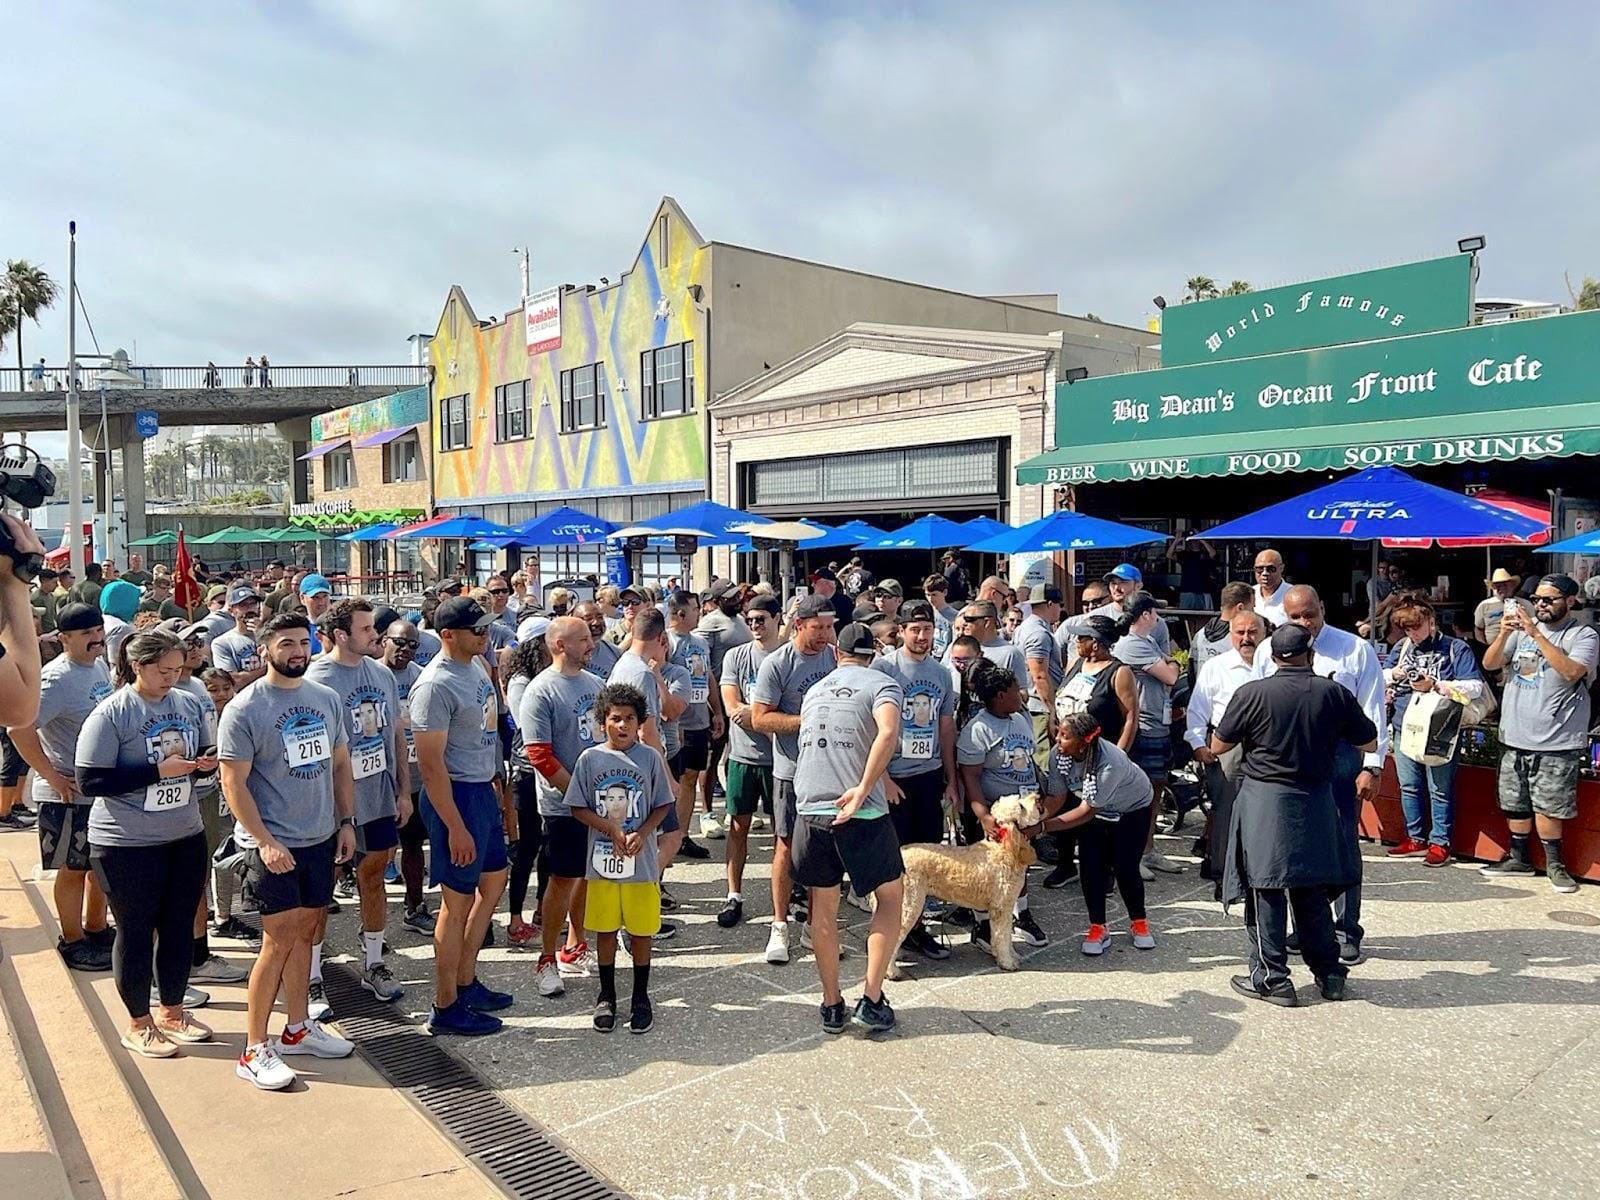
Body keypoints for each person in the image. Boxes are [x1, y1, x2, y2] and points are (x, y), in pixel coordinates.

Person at [219, 612, 356, 1088]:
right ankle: (254, 1048)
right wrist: (265, 840)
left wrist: (345, 822)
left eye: (303, 642)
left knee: (307, 935)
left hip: (319, 837)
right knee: (276, 942)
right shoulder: (244, 709)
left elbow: (340, 764)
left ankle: (297, 1027)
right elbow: (233, 783)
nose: (298, 652)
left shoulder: (325, 699)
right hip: (272, 844)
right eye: (286, 644)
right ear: (265, 650)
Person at [1212, 624, 1378, 1006]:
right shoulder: (1333, 692)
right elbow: (1369, 740)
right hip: (1315, 801)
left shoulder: (1252, 693)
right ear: (1311, 654)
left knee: (1265, 889)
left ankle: (1273, 979)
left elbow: (1219, 744)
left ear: (1273, 657)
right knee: (1312, 890)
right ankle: (1330, 974)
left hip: (1265, 801)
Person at [78, 630, 217, 1059]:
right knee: (136, 931)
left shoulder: (188, 703)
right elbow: (91, 780)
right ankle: (138, 1022)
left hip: (184, 833)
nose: (172, 678)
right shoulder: (112, 713)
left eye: (178, 669)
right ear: (138, 666)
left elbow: (198, 754)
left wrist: (203, 764)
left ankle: (172, 1010)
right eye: (163, 670)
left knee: (179, 925)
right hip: (126, 842)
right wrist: (157, 772)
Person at [1258, 585, 1386, 961]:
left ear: (1323, 609)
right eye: (1295, 616)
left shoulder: (1354, 650)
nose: (1304, 622)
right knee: (1298, 845)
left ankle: (1346, 929)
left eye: (1309, 614)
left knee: (1342, 841)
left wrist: (1373, 765)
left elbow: (1373, 710)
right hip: (1289, 759)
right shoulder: (1269, 651)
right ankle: (1309, 928)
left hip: (1342, 756)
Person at [792, 621, 905, 1034]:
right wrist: (865, 787)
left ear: (836, 653)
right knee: (890, 898)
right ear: (872, 654)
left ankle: (831, 1003)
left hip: (811, 809)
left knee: (823, 909)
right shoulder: (882, 684)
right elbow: (887, 732)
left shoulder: (815, 690)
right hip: (861, 813)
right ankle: (871, 998)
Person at [410, 596, 515, 1034]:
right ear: (448, 635)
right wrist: (454, 825)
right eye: (477, 629)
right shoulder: (434, 685)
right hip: (455, 796)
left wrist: (495, 785)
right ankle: (445, 1004)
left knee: (494, 882)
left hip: (480, 789)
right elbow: (431, 765)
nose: (485, 634)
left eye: (486, 626)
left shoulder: (476, 667)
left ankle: (466, 980)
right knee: (456, 903)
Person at [307, 599, 411, 1002]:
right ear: (340, 635)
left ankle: (374, 962)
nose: (375, 635)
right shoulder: (317, 679)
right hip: (332, 803)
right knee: (324, 887)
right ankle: (312, 975)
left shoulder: (381, 673)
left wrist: (403, 790)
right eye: (366, 629)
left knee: (374, 875)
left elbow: (396, 733)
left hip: (378, 795)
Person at [9, 603, 115, 971]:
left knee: (99, 866)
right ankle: (72, 940)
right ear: (64, 638)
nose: (96, 639)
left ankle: (96, 928)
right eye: (86, 634)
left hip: (99, 789)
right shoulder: (55, 679)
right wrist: (51, 775)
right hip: (67, 792)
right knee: (73, 868)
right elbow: (19, 728)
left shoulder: (98, 665)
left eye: (98, 631)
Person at [566, 683, 675, 1034]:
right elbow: (578, 806)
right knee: (606, 929)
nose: (622, 725)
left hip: (641, 865)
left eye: (629, 718)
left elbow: (663, 803)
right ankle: (607, 993)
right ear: (603, 723)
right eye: (615, 719)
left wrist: (642, 833)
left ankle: (640, 996)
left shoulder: (650, 758)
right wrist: (609, 828)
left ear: (640, 722)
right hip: (602, 864)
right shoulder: (590, 759)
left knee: (641, 931)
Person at [1481, 573, 1598, 893]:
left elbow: (1572, 671)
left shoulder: (1583, 634)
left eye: (1548, 600)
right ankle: (1519, 858)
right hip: (1515, 734)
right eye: (1536, 600)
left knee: (1550, 805)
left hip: (1556, 738)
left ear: (1570, 601)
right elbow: (1490, 663)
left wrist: (1536, 633)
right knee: (1515, 801)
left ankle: (1555, 865)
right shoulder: (1520, 630)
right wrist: (1504, 634)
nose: (1540, 605)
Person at [751, 593, 838, 965]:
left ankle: (815, 927)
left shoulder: (834, 656)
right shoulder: (778, 664)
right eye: (818, 627)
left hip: (829, 768)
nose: (825, 634)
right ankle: (779, 925)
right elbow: (759, 718)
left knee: (823, 849)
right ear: (799, 625)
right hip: (790, 770)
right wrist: (808, 720)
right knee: (785, 847)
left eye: (829, 627)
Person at [522, 616, 605, 996]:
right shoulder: (541, 691)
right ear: (560, 645)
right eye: (583, 639)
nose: (591, 644)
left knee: (587, 875)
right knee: (562, 878)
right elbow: (540, 755)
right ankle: (546, 958)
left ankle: (575, 945)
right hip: (562, 805)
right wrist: (577, 794)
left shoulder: (596, 684)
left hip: (598, 801)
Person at [870, 599, 957, 961]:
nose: (922, 636)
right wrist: (883, 777)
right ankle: (889, 933)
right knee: (894, 860)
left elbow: (946, 726)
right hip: (895, 777)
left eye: (928, 629)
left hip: (929, 775)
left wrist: (951, 780)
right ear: (901, 631)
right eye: (915, 629)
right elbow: (871, 727)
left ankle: (916, 929)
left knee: (926, 857)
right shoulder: (884, 668)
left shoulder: (941, 673)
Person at [1037, 712, 1156, 955]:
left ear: (1083, 743)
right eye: (1058, 732)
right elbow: (1057, 797)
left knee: (1125, 867)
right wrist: (1035, 818)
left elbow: (1087, 811)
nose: (1057, 739)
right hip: (1094, 809)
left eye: (1064, 736)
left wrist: (1042, 828)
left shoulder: (1110, 761)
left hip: (1131, 808)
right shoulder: (1059, 755)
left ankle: (1139, 921)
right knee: (1091, 865)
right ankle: (1098, 927)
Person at [956, 657, 1048, 950]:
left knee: (1020, 862)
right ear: (999, 696)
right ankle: (982, 924)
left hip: (1023, 810)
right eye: (1015, 689)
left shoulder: (1020, 719)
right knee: (986, 870)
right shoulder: (978, 730)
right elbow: (970, 778)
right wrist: (983, 815)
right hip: (995, 811)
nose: (1020, 693)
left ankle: (1021, 914)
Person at [1383, 600, 1485, 868]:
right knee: (1408, 785)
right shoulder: (1402, 647)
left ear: (1431, 622)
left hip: (1441, 727)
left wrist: (1437, 685)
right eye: (1407, 629)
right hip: (1405, 724)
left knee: (1439, 788)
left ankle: (1440, 842)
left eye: (1416, 628)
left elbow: (1475, 686)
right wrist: (1395, 674)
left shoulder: (1455, 647)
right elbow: (1380, 677)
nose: (1412, 634)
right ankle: (1415, 838)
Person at [1186, 610, 1267, 887]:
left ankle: (1257, 873)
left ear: (1264, 632)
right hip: (1227, 746)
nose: (1246, 638)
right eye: (1240, 632)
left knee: (1264, 811)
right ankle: (1223, 874)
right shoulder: (1216, 667)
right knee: (1225, 811)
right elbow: (1197, 710)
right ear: (1231, 635)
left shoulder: (1273, 665)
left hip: (1267, 746)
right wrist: (1198, 744)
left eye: (1252, 632)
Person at [717, 594, 782, 930]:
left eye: (761, 619)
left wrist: (756, 715)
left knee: (781, 833)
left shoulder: (787, 656)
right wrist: (769, 720)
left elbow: (788, 710)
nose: (755, 625)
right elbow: (732, 706)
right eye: (750, 619)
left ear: (776, 618)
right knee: (738, 826)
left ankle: (785, 897)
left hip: (780, 761)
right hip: (742, 756)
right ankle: (733, 893)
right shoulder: (736, 656)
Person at [378, 616, 434, 933]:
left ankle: (414, 906)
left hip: (413, 776)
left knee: (413, 844)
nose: (405, 650)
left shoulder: (422, 677)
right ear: (384, 640)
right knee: (371, 855)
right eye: (399, 642)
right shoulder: (371, 674)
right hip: (376, 777)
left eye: (413, 645)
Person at [696, 577, 751, 835]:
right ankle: (706, 812)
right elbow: (701, 664)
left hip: (739, 698)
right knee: (713, 756)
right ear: (718, 601)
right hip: (716, 698)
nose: (737, 600)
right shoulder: (709, 623)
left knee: (734, 753)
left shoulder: (741, 620)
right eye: (730, 597)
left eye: (737, 595)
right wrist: (713, 705)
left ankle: (732, 807)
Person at [1013, 584, 1063, 759]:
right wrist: (1052, 709)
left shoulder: (1023, 628)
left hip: (1029, 702)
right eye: (1059, 605)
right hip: (1039, 707)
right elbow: (1039, 675)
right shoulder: (1038, 634)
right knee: (1043, 759)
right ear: (1050, 604)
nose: (1060, 609)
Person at [1189, 582, 1256, 679]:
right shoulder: (1240, 639)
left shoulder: (1199, 635)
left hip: (1202, 688)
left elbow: (1191, 674)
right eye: (1252, 607)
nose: (1253, 612)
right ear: (1240, 608)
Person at [209, 584, 267, 687]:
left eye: (253, 604)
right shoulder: (222, 642)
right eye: (243, 605)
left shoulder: (272, 636)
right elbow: (233, 681)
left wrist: (262, 635)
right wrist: (269, 668)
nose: (249, 608)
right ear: (231, 611)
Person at [1169, 533, 1217, 611]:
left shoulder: (1204, 554)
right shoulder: (1185, 554)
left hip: (1202, 590)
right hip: (1187, 590)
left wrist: (1202, 539)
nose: (1194, 542)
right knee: (1185, 613)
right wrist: (1176, 541)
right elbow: (1169, 555)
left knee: (1202, 614)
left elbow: (1213, 553)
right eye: (1192, 540)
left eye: (1196, 540)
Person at [575, 600, 621, 680]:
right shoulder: (564, 652)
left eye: (600, 617)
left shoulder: (615, 652)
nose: (596, 623)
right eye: (588, 618)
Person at [1475, 568, 1522, 646]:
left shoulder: (1525, 604)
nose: (1501, 589)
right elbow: (1478, 629)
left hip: (1519, 648)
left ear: (1512, 586)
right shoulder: (1485, 605)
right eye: (1497, 586)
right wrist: (1485, 646)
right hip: (1492, 647)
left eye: (1505, 585)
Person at [1251, 550, 1292, 628]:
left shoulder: (1293, 595)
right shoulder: (1249, 593)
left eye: (1270, 569)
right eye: (1259, 569)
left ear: (1281, 568)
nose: (1264, 573)